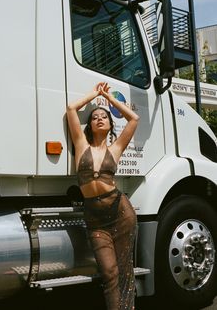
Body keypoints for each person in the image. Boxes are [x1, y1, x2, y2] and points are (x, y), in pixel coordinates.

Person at [66, 82, 140, 310]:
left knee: (125, 271)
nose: (99, 118)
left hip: (121, 212)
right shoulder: (81, 145)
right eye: (95, 116)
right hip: (96, 219)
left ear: (110, 125)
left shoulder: (115, 149)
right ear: (89, 125)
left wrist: (109, 98)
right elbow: (71, 108)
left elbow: (134, 119)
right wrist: (95, 95)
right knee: (109, 272)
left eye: (104, 117)